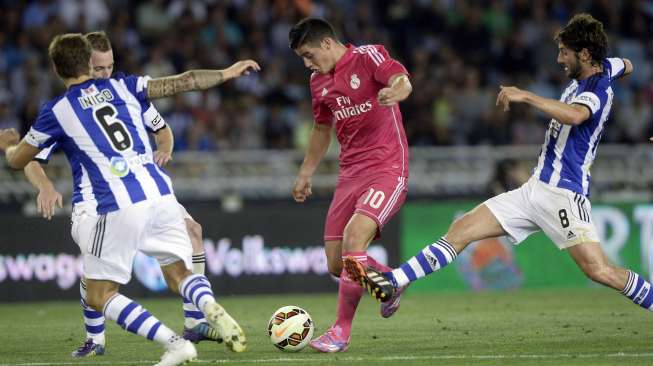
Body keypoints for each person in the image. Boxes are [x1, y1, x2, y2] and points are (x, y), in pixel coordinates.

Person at [345, 14, 649, 321]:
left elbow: (576, 115)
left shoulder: (595, 90)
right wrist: (619, 66)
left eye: (565, 52)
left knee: (599, 270)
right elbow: (628, 64)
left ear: (584, 54)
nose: (559, 59)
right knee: (461, 229)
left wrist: (526, 95)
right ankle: (396, 282)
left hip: (564, 195)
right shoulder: (606, 68)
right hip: (533, 191)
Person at [0, 33, 259, 366]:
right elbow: (186, 81)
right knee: (177, 272)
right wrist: (227, 73)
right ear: (87, 62)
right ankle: (205, 305)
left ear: (55, 67)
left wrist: (8, 143)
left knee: (99, 293)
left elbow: (19, 160)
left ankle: (174, 342)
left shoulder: (59, 111)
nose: (106, 71)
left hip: (109, 204)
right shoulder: (127, 87)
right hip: (158, 192)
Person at [289, 18, 412, 352]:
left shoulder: (368, 56)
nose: (307, 63)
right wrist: (305, 173)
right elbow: (320, 129)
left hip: (387, 167)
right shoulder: (317, 82)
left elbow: (401, 79)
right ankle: (389, 280)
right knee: (335, 263)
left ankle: (340, 332)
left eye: (309, 54)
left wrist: (397, 90)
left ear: (327, 43)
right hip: (349, 174)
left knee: (354, 239)